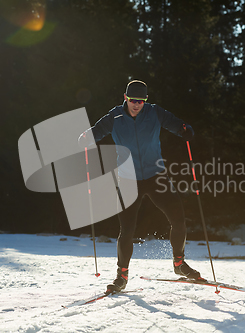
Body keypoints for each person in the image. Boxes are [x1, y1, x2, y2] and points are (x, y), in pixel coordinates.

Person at [79, 80, 200, 293]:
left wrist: (185, 130)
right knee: (126, 230)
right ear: (125, 98)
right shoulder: (114, 117)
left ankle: (179, 264)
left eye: (141, 101)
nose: (137, 104)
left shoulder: (154, 112)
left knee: (178, 219)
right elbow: (96, 132)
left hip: (156, 175)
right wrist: (86, 137)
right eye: (133, 100)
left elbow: (174, 123)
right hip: (127, 179)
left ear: (146, 100)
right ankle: (122, 276)